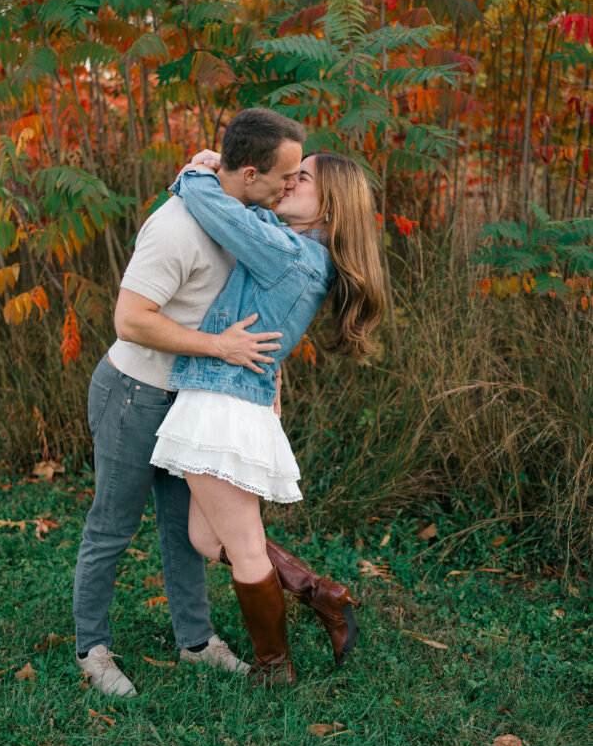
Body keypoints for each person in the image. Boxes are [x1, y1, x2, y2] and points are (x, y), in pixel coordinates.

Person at [73, 108, 306, 697]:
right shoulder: (175, 228)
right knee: (113, 525)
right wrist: (218, 347)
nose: (289, 186)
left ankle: (196, 642)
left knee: (182, 531)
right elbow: (129, 319)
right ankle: (92, 648)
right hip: (133, 392)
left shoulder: (242, 216)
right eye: (283, 176)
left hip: (191, 401)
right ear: (250, 173)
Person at [150, 150, 386, 686]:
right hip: (227, 397)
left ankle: (274, 666)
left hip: (221, 404)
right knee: (209, 540)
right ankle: (319, 594)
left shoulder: (292, 255)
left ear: (330, 206)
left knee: (245, 547)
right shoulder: (297, 248)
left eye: (301, 178)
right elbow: (250, 216)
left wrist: (197, 169)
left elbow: (217, 210)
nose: (287, 183)